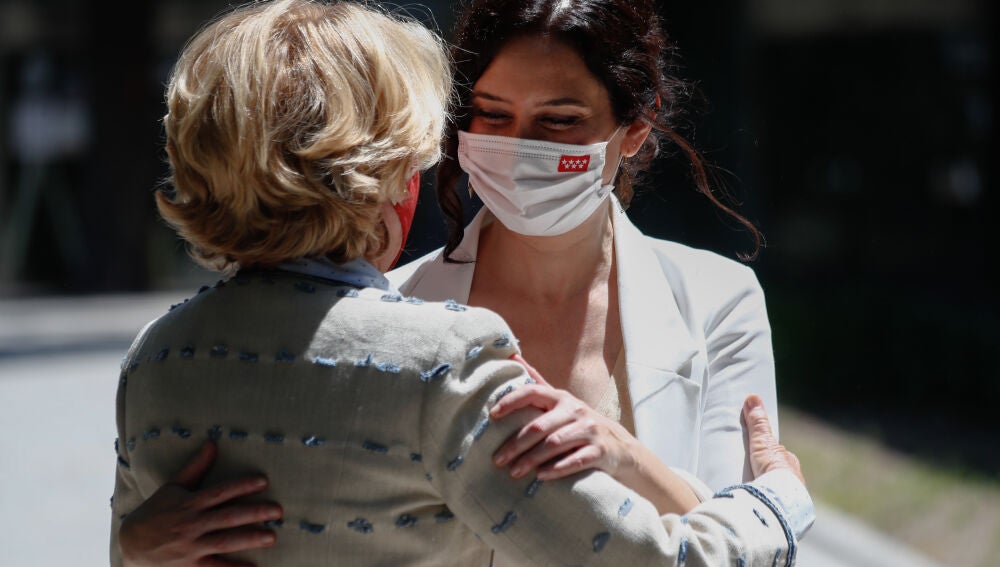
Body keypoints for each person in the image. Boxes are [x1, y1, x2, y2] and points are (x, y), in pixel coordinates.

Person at [110, 0, 813, 565]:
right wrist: (777, 501)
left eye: (559, 121)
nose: (519, 147)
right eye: (490, 116)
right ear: (382, 174)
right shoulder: (443, 359)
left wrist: (133, 549)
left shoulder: (153, 356)